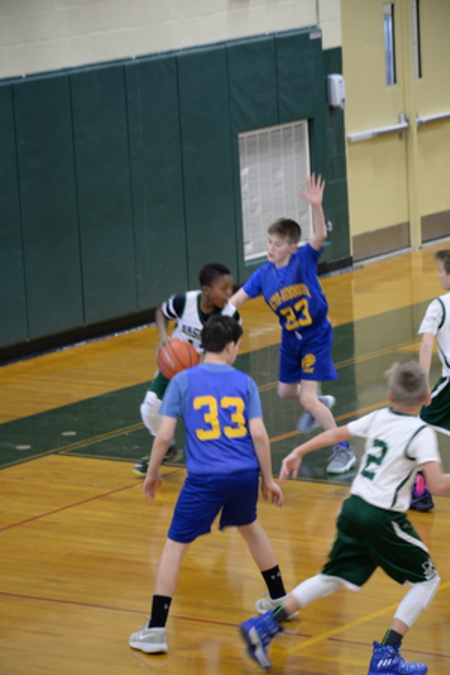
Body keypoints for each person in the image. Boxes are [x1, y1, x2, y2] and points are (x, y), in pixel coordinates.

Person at [239, 360, 449, 674]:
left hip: (353, 508)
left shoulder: (379, 416)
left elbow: (335, 433)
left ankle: (265, 624)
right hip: (382, 516)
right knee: (428, 580)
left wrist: (298, 451)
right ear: (427, 397)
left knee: (331, 577)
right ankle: (387, 654)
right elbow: (438, 485)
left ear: (390, 396)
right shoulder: (420, 432)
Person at [129, 315, 289, 654]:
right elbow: (259, 434)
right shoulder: (245, 382)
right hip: (244, 475)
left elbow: (164, 436)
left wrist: (153, 472)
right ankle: (279, 599)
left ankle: (155, 630)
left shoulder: (181, 381)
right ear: (230, 346)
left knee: (174, 548)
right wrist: (268, 479)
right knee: (250, 527)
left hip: (204, 479)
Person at [229, 174, 355, 475]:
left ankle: (344, 449)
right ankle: (318, 401)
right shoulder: (263, 274)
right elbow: (235, 300)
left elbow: (320, 234)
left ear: (292, 248)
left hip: (315, 335)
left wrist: (316, 206)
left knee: (306, 397)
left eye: (279, 244)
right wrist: (216, 319)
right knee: (286, 392)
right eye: (270, 242)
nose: (271, 248)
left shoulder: (304, 260)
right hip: (290, 337)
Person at [134, 262, 240, 476]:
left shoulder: (230, 315)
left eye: (231, 288)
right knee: (149, 410)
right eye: (223, 288)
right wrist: (164, 337)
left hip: (206, 372)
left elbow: (231, 352)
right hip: (175, 367)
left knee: (205, 420)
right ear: (206, 289)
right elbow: (161, 312)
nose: (230, 293)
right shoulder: (184, 302)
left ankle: (221, 461)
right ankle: (167, 448)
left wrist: (207, 361)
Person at [410, 249, 450, 512]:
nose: (437, 275)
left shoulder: (439, 305)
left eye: (440, 271)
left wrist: (423, 384)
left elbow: (426, 344)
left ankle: (419, 489)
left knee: (417, 427)